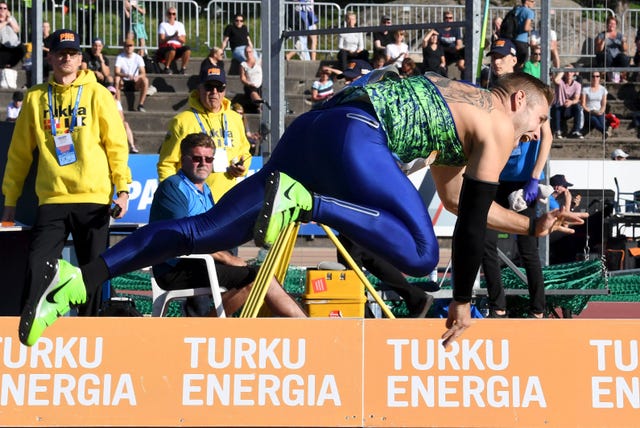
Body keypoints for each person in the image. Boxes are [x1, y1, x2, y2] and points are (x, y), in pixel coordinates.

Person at [19, 70, 589, 349]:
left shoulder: (456, 112)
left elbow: (458, 201)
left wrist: (531, 224)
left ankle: (73, 281)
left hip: (312, 135)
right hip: (355, 136)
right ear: (520, 100)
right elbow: (464, 228)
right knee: (419, 255)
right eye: (538, 124)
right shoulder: (496, 120)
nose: (534, 137)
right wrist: (462, 305)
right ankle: (307, 204)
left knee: (194, 230)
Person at [1, 29, 130, 336]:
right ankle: (33, 329)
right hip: (53, 198)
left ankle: (89, 334)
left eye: (72, 53)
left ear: (80, 59)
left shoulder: (97, 93)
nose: (66, 58)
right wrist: (9, 203)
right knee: (37, 264)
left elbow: (116, 144)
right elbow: (19, 156)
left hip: (94, 197)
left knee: (92, 272)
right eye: (60, 53)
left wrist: (122, 189)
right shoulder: (34, 98)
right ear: (50, 57)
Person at [151, 132, 306, 318]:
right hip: (175, 268)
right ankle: (205, 331)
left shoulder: (204, 190)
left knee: (262, 276)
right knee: (253, 279)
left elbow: (212, 232)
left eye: (208, 159)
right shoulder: (173, 188)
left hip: (198, 262)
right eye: (197, 158)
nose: (203, 163)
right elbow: (187, 236)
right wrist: (227, 259)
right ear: (183, 160)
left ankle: (306, 328)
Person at [157, 64, 251, 202]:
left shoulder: (235, 118)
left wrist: (242, 168)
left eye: (219, 88)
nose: (214, 92)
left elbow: (245, 152)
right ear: (199, 88)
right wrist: (172, 197)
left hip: (229, 202)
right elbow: (167, 164)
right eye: (209, 86)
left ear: (224, 90)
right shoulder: (182, 121)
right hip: (192, 202)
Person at [114, 38, 149, 112]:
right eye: (127, 46)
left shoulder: (138, 58)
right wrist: (126, 75)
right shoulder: (120, 57)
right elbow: (116, 72)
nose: (129, 48)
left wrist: (137, 77)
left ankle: (140, 104)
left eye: (131, 46)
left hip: (135, 82)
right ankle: (118, 104)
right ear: (124, 47)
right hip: (123, 81)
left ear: (133, 47)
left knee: (145, 80)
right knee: (117, 79)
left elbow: (143, 73)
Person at [550, 66, 583, 139]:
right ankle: (557, 131)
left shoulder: (577, 85)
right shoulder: (560, 82)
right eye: (567, 71)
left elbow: (577, 99)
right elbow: (556, 80)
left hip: (569, 108)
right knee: (556, 106)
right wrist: (562, 70)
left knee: (577, 107)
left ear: (574, 73)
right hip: (559, 108)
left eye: (570, 72)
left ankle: (576, 131)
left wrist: (571, 102)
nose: (568, 73)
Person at [157, 6, 191, 74]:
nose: (171, 15)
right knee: (171, 49)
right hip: (166, 47)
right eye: (169, 13)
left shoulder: (180, 25)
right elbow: (161, 40)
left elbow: (183, 40)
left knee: (187, 49)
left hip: (177, 46)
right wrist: (172, 36)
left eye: (173, 14)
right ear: (167, 15)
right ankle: (167, 68)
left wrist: (177, 37)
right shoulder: (163, 25)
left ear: (176, 15)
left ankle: (183, 68)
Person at [595, 15, 629, 80]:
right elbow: (599, 49)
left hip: (616, 57)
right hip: (607, 57)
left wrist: (623, 42)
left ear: (616, 25)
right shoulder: (601, 35)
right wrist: (604, 40)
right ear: (607, 24)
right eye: (610, 23)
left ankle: (623, 77)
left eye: (614, 24)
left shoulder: (619, 35)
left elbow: (625, 49)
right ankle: (603, 76)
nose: (612, 25)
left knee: (624, 57)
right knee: (606, 56)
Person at [108, 85, 138, 153]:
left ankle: (132, 146)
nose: (111, 95)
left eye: (112, 93)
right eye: (109, 93)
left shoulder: (117, 102)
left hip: (115, 122)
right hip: (106, 122)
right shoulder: (101, 102)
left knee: (126, 124)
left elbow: (121, 117)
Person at [581, 71, 609, 138]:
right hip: (588, 111)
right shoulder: (585, 89)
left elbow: (603, 104)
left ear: (600, 78)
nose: (595, 78)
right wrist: (590, 111)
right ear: (590, 78)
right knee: (594, 119)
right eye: (593, 76)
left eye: (597, 76)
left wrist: (601, 111)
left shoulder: (603, 89)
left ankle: (605, 131)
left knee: (601, 121)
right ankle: (605, 131)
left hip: (599, 111)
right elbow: (583, 104)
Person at [0, 2, 24, 69]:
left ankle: (11, 65)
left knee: (22, 49)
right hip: (3, 46)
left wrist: (10, 20)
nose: (2, 10)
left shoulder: (11, 18)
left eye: (5, 8)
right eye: (0, 8)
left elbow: (17, 30)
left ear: (7, 10)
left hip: (15, 45)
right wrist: (6, 22)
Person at [239, 45, 263, 110]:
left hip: (260, 84)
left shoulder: (259, 61)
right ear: (244, 53)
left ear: (252, 52)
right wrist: (248, 83)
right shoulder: (243, 64)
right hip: (250, 85)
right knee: (252, 91)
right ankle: (260, 104)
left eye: (250, 52)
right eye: (246, 52)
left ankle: (260, 105)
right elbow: (242, 78)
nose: (248, 53)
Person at [513, 0, 535, 68]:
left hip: (513, 39)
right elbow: (526, 28)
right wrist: (532, 29)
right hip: (522, 41)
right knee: (522, 64)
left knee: (514, 62)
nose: (534, 3)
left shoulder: (516, 10)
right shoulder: (529, 12)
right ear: (526, 1)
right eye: (532, 1)